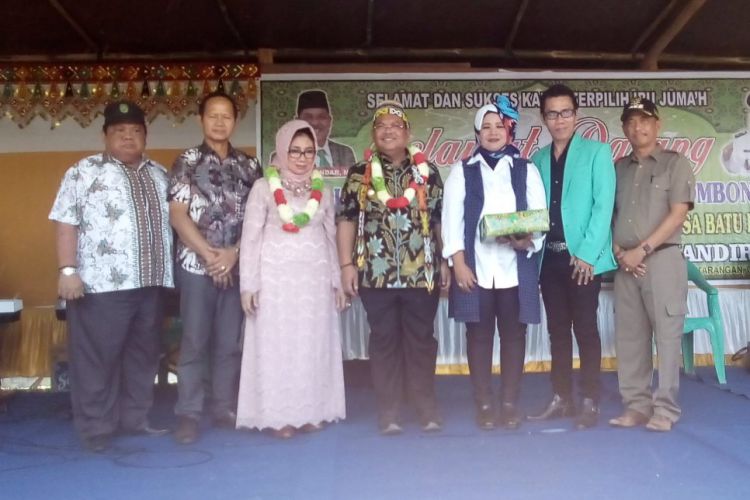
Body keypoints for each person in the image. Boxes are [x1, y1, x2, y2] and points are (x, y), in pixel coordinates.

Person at [49, 100, 174, 452]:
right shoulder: (83, 172)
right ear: (105, 135)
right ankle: (97, 428)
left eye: (136, 131)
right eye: (119, 131)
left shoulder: (160, 174)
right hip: (101, 286)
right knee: (97, 360)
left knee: (142, 357)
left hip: (150, 283)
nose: (128, 137)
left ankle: (135, 419)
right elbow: (65, 222)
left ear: (145, 136)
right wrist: (67, 270)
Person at [337, 100, 450, 435]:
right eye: (381, 126)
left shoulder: (427, 171)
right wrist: (346, 265)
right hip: (376, 273)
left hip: (421, 273)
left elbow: (440, 219)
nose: (388, 131)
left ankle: (425, 407)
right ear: (373, 134)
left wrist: (445, 261)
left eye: (395, 125)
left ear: (407, 133)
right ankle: (389, 411)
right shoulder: (360, 172)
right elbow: (346, 219)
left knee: (421, 340)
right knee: (383, 340)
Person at [236, 120, 347, 439]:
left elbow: (330, 237)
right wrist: (248, 285)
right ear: (282, 151)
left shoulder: (322, 190)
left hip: (314, 280)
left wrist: (337, 281)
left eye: (309, 151)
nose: (302, 158)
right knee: (278, 346)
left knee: (312, 344)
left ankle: (311, 411)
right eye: (295, 151)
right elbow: (251, 238)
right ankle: (278, 416)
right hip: (275, 280)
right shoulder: (263, 188)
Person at [442, 96, 546, 430]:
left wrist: (525, 240)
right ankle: (485, 404)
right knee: (479, 337)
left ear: (509, 131)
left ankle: (510, 403)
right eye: (485, 127)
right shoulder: (463, 170)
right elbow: (451, 221)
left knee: (514, 337)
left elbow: (539, 218)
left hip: (515, 269)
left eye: (498, 126)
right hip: (477, 268)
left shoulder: (526, 169)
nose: (492, 132)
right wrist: (458, 263)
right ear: (477, 134)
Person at [168, 91, 261, 444]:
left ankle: (223, 408)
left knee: (228, 343)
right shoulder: (186, 161)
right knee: (194, 341)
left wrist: (233, 254)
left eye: (226, 116)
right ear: (200, 119)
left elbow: (258, 220)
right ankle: (189, 414)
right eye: (213, 115)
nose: (220, 122)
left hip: (236, 267)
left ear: (235, 121)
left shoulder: (250, 166)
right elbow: (178, 216)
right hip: (196, 267)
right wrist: (210, 256)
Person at [527, 84, 617, 429]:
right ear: (543, 118)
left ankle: (590, 399)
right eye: (552, 114)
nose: (559, 120)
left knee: (586, 329)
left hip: (583, 261)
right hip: (548, 260)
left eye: (565, 112)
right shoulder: (537, 160)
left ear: (576, 115)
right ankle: (561, 397)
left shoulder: (597, 153)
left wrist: (587, 255)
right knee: (557, 331)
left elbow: (603, 207)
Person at [609, 97, 695, 432]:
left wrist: (642, 250)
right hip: (625, 265)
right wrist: (619, 250)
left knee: (667, 337)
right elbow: (609, 214)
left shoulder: (675, 163)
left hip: (661, 261)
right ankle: (636, 406)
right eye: (630, 122)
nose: (637, 127)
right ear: (624, 128)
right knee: (630, 338)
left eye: (644, 121)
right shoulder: (618, 168)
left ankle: (665, 410)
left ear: (657, 125)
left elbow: (678, 214)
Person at [296, 89, 356, 168]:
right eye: (308, 117)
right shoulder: (288, 155)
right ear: (297, 122)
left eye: (321, 117)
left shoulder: (345, 153)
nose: (315, 123)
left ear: (329, 121)